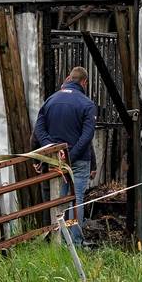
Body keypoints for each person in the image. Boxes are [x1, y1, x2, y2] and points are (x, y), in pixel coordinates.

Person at [33, 67, 97, 246]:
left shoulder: (50, 101)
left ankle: (60, 240)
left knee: (60, 199)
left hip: (55, 160)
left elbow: (39, 129)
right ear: (84, 82)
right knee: (75, 201)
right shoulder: (87, 104)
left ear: (69, 78)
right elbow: (87, 136)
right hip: (77, 161)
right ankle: (74, 243)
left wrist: (51, 148)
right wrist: (71, 155)